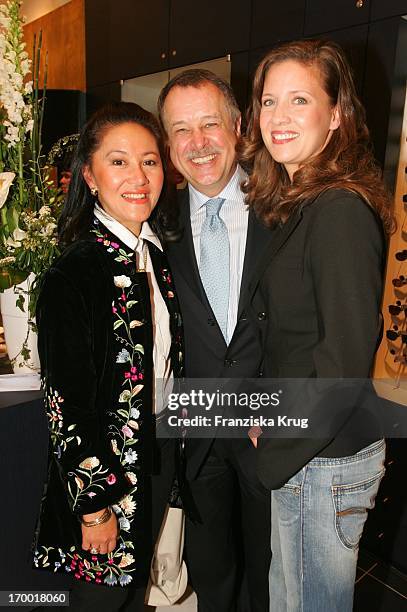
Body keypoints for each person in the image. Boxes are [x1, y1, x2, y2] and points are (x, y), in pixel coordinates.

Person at [240, 39, 394, 611]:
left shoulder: (337, 211)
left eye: (298, 100)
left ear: (335, 115)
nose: (278, 117)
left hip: (321, 458)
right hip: (313, 448)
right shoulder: (303, 199)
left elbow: (343, 362)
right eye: (268, 101)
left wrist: (276, 452)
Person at [32, 102, 183, 612]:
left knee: (133, 596)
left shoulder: (155, 254)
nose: (138, 176)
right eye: (118, 162)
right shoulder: (74, 273)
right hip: (107, 478)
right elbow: (65, 406)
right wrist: (94, 506)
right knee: (100, 602)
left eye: (150, 160)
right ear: (90, 176)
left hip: (156, 456)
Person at [158, 69, 271, 612]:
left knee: (270, 575)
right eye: (181, 130)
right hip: (197, 436)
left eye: (209, 124)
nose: (197, 142)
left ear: (238, 126)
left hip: (267, 431)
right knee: (213, 573)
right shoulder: (155, 222)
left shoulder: (288, 205)